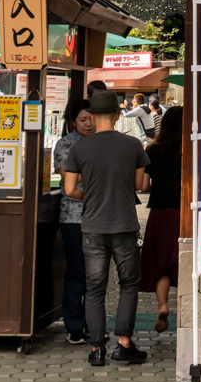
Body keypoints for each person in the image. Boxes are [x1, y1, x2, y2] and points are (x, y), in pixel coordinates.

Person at [61, 88, 150, 366]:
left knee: (95, 287)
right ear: (116, 114)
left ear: (94, 115)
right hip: (124, 224)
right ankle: (124, 344)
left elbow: (69, 188)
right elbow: (140, 185)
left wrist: (91, 195)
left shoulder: (79, 148)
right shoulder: (133, 145)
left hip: (92, 227)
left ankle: (96, 348)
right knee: (128, 284)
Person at [52, 100, 95, 344]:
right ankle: (74, 324)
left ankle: (92, 322)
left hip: (99, 216)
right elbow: (69, 178)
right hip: (73, 217)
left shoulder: (102, 141)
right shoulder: (65, 144)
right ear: (72, 122)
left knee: (96, 275)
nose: (89, 124)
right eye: (83, 120)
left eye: (92, 118)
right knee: (77, 271)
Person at [139, 106, 182, 333]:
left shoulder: (152, 151)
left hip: (159, 214)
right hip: (186, 215)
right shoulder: (194, 150)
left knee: (161, 264)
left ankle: (163, 305)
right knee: (183, 262)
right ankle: (187, 311)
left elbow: (143, 186)